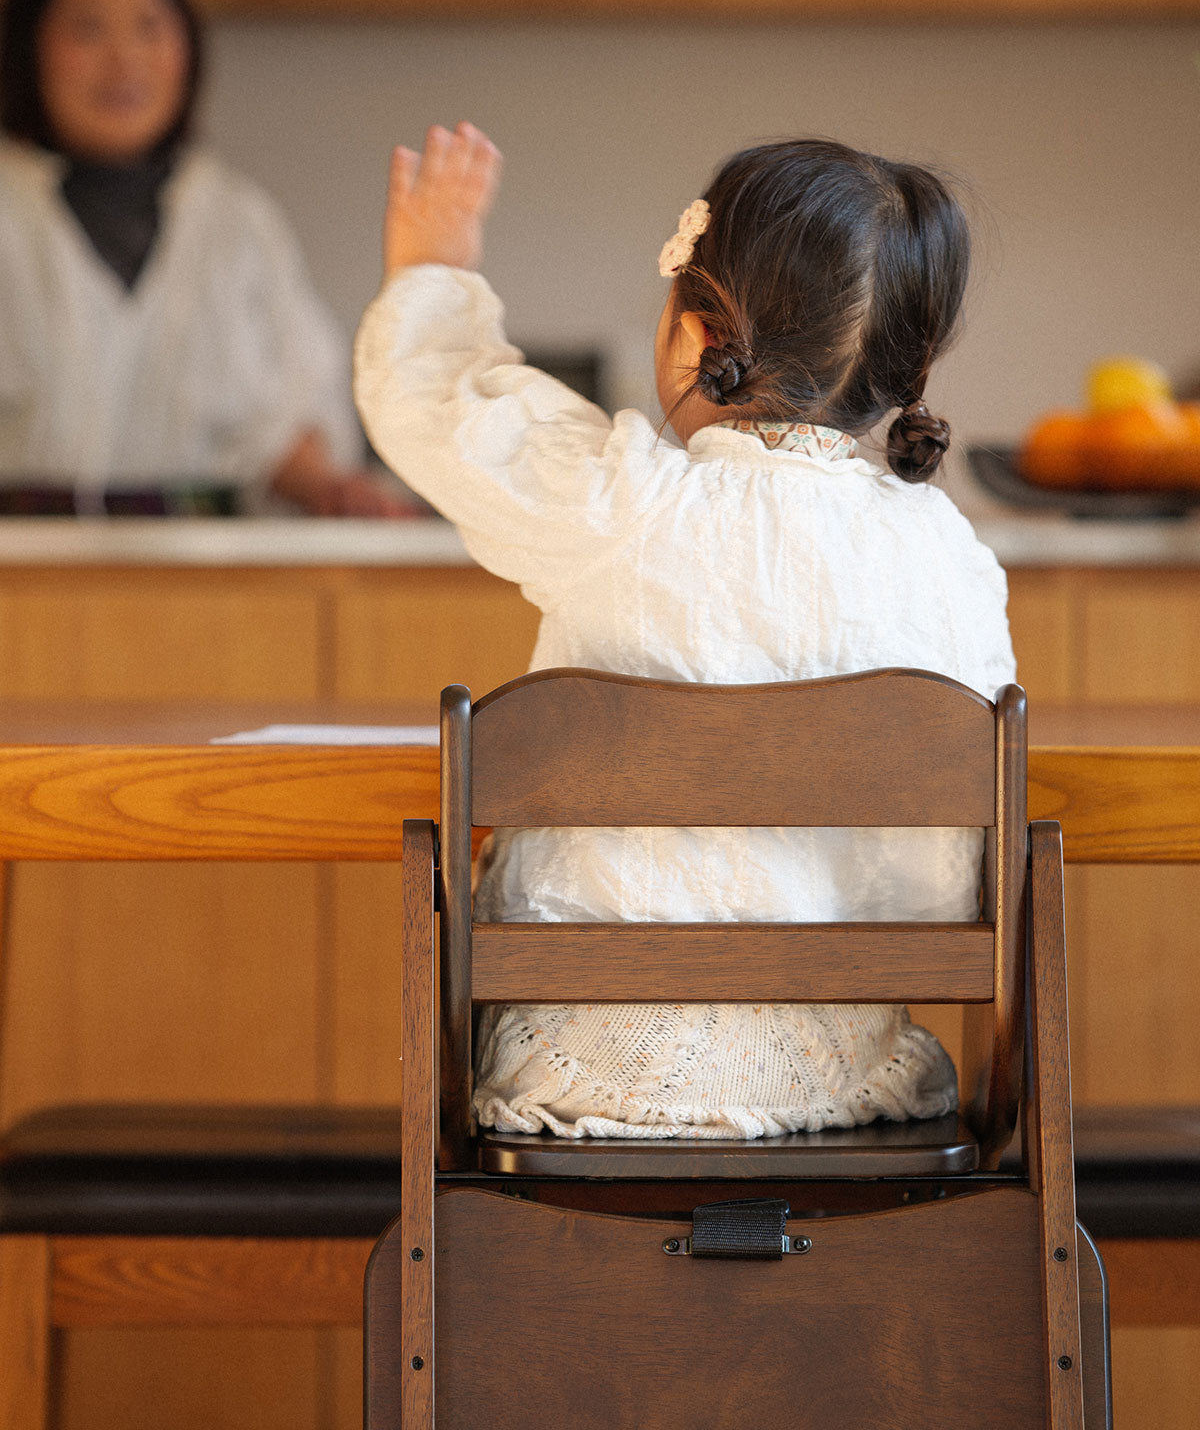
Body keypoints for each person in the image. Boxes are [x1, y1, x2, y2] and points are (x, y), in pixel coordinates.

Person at [354, 122, 1017, 1139]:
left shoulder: (618, 499)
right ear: (901, 372)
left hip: (582, 1073)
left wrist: (434, 272)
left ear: (698, 335)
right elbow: (939, 883)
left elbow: (442, 404)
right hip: (840, 1076)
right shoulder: (948, 561)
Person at [0, 0, 407, 515]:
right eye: (87, 29)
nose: (124, 60)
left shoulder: (239, 223)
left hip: (206, 569)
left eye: (149, 26)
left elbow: (289, 416)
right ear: (28, 46)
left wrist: (332, 488)